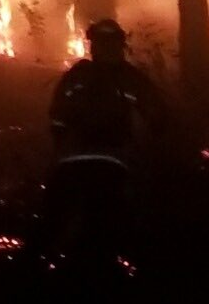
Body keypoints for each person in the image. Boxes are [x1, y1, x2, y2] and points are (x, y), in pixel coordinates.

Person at [43, 18, 163, 275]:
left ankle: (46, 267)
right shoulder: (130, 78)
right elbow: (156, 115)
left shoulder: (76, 76)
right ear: (120, 45)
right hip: (114, 160)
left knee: (57, 221)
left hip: (71, 162)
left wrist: (61, 148)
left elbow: (57, 117)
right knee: (120, 216)